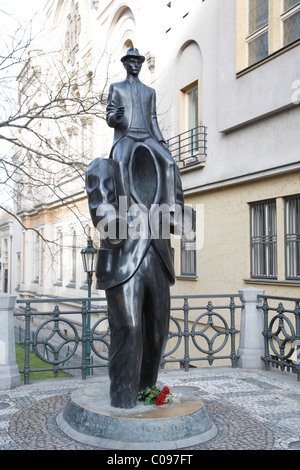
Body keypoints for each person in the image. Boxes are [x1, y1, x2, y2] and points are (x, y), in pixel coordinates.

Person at [86, 48, 186, 408]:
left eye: (138, 62)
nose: (134, 66)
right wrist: (117, 119)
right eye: (129, 61)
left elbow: (156, 123)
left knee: (157, 333)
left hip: (156, 258)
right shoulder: (105, 163)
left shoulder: (149, 93)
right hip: (125, 262)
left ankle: (147, 388)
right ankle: (123, 396)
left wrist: (161, 145)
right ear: (124, 64)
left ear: (141, 65)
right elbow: (103, 214)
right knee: (128, 329)